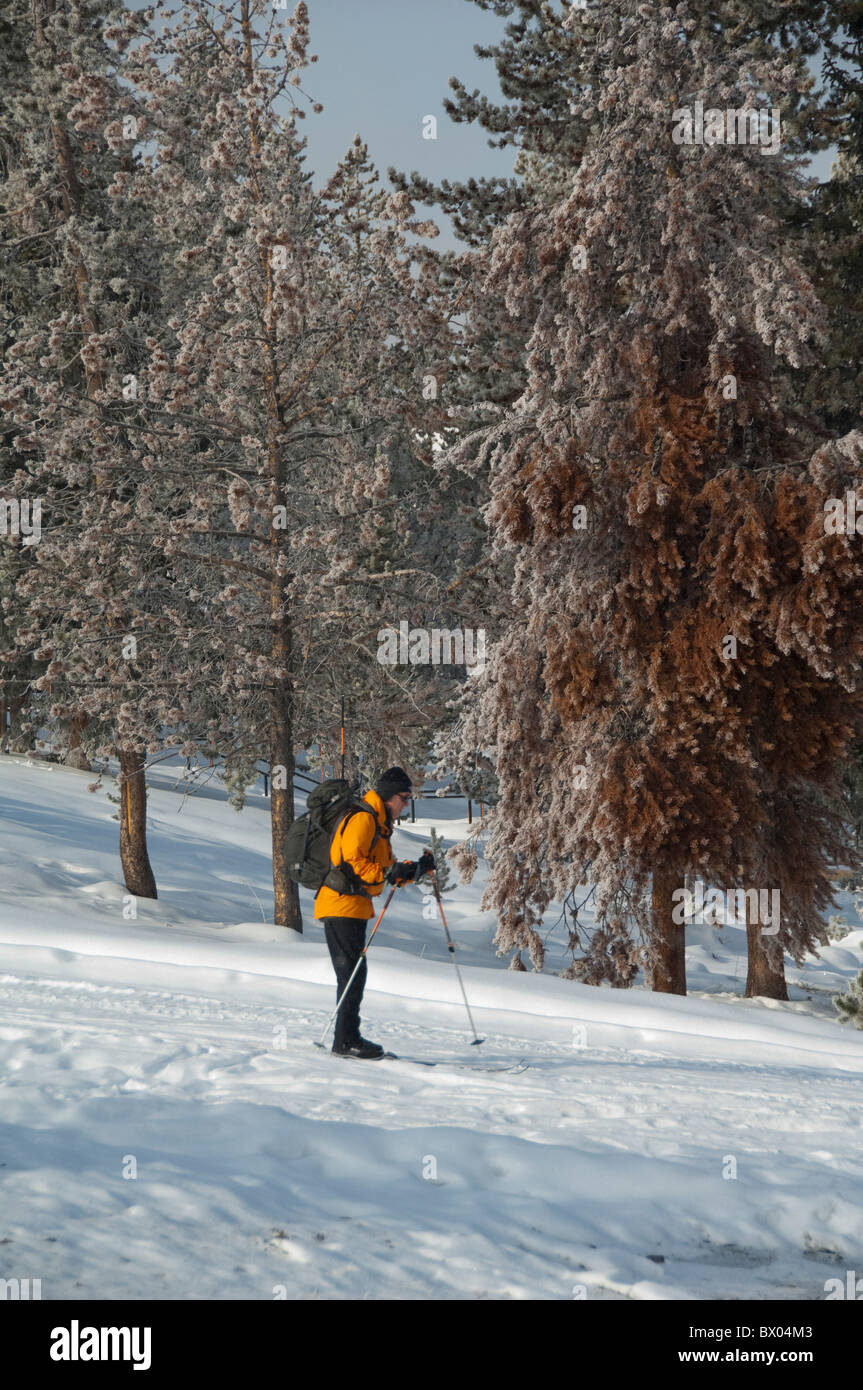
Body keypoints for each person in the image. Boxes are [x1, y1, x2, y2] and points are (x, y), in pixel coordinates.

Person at [314, 766, 434, 1058]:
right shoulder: (364, 819)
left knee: (354, 973)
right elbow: (353, 861)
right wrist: (388, 871)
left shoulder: (379, 825)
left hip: (353, 905)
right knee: (351, 973)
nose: (406, 804)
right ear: (389, 796)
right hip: (341, 903)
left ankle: (347, 1038)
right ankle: (345, 1041)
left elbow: (385, 871)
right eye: (404, 798)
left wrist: (414, 869)